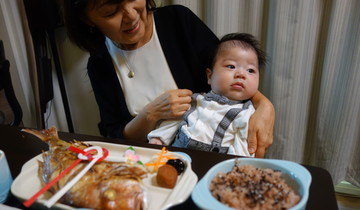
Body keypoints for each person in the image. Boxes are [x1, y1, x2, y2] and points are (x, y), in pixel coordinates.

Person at [61, 0, 275, 157]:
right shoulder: (100, 64)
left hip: (207, 158)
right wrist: (150, 114)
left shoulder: (178, 22)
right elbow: (113, 135)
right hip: (146, 164)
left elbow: (226, 70)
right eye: (111, 11)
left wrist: (265, 105)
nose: (131, 15)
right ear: (87, 19)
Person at [148, 33, 265, 156]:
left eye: (250, 70)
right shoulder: (195, 100)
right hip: (176, 157)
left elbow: (242, 148)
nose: (241, 74)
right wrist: (159, 138)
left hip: (214, 166)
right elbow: (175, 121)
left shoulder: (247, 114)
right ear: (210, 76)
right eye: (231, 66)